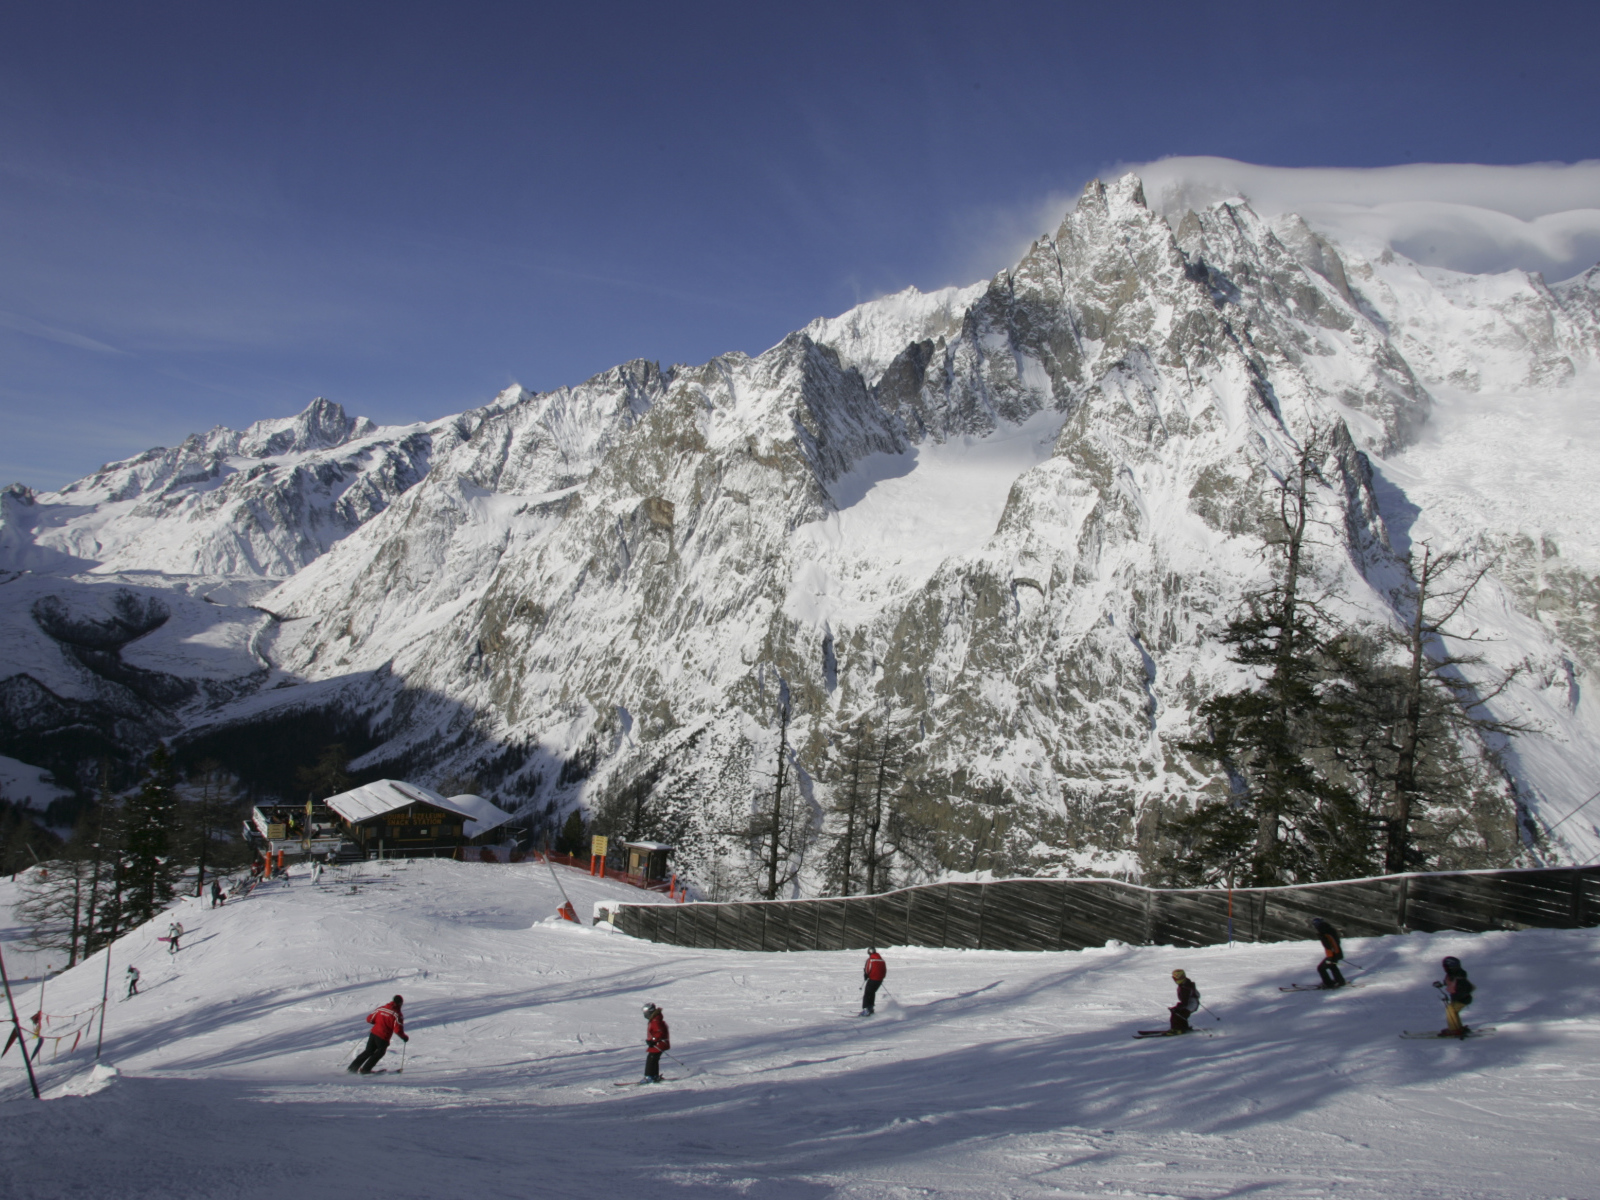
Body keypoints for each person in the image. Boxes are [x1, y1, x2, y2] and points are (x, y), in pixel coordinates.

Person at [348, 995, 408, 1073]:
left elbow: (369, 1019)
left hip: (374, 1033)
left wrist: (378, 1023)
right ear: (400, 1003)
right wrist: (404, 1037)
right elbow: (397, 1030)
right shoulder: (397, 1014)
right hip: (383, 1036)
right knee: (380, 1053)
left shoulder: (382, 1008)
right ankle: (365, 1069)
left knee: (368, 1051)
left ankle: (352, 1068)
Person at [1433, 956, 1475, 1038]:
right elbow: (1448, 982)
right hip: (1459, 998)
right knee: (1452, 1011)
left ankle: (1454, 1030)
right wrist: (1440, 985)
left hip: (1463, 999)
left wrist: (1458, 996)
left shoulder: (1459, 977)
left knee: (1450, 1010)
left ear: (1451, 967)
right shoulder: (1452, 975)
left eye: (1445, 967)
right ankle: (1457, 1027)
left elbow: (1465, 988)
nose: (1444, 969)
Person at [1312, 918, 1345, 989]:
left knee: (1321, 968)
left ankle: (1328, 983)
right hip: (1336, 953)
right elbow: (1336, 942)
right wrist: (1338, 953)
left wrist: (1330, 956)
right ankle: (1340, 981)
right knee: (1332, 966)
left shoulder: (1324, 932)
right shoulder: (1329, 930)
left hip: (1332, 954)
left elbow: (1329, 946)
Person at [641, 1002, 670, 1084]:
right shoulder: (655, 1019)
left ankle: (649, 1076)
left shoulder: (655, 1020)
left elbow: (659, 1032)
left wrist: (653, 1040)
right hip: (659, 1043)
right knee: (654, 1058)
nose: (645, 1014)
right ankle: (654, 1075)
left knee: (651, 1058)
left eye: (645, 1012)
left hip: (659, 1043)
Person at [1169, 969, 1200, 1033]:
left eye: (1179, 978)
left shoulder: (1185, 988)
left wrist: (1176, 1008)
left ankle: (1177, 1029)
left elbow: (1185, 1002)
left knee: (1177, 1014)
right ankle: (1183, 1028)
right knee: (1181, 1014)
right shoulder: (1185, 983)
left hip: (1191, 1004)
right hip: (1192, 1003)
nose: (1177, 980)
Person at [861, 948, 887, 1016]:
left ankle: (865, 1009)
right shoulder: (881, 960)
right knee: (872, 992)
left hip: (872, 979)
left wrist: (866, 975)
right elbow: (884, 970)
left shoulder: (870, 960)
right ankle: (871, 1007)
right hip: (879, 980)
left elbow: (867, 969)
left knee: (867, 994)